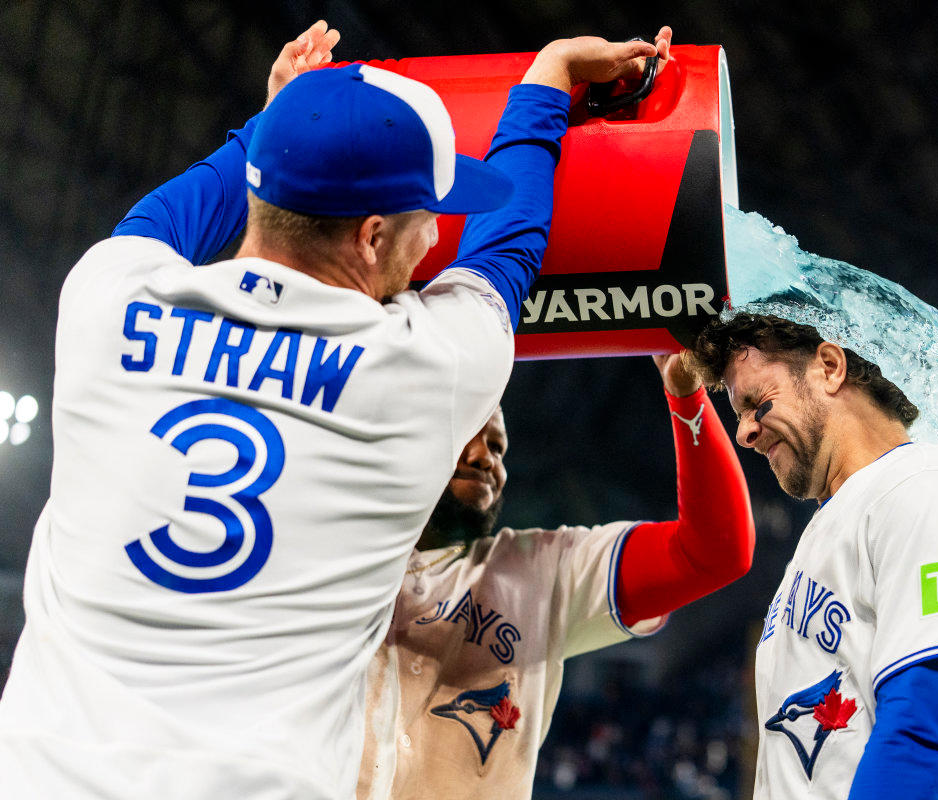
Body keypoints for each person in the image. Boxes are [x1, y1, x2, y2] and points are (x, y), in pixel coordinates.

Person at [0, 21, 665, 800]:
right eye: (430, 218)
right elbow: (508, 240)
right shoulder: (419, 369)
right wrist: (550, 76)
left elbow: (174, 213)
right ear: (374, 236)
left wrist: (273, 125)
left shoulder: (104, 300)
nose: (435, 241)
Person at [354, 350, 754, 800]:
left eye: (499, 448)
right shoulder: (325, 556)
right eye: (467, 431)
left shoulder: (538, 568)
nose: (486, 458)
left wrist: (686, 395)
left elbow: (713, 552)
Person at [686, 313, 938, 800]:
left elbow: (922, 736)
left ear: (829, 366)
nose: (745, 432)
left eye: (757, 403)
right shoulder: (841, 517)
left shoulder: (928, 489)